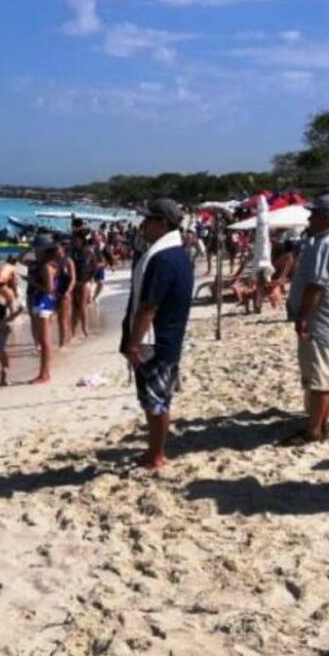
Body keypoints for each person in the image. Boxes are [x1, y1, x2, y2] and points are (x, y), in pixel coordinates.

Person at [121, 198, 194, 470]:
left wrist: (133, 344)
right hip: (169, 339)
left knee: (155, 402)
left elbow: (149, 306)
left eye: (148, 220)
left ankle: (157, 454)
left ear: (162, 223)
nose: (142, 225)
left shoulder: (162, 259)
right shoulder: (177, 253)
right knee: (157, 400)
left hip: (157, 343)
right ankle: (155, 451)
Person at [284, 195, 329, 446]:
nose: (309, 218)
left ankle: (314, 429)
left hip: (321, 321)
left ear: (326, 217)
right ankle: (321, 423)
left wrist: (303, 316)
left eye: (314, 214)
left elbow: (316, 286)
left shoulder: (327, 244)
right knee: (325, 375)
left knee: (319, 379)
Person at [26, 237, 59, 384]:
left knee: (44, 341)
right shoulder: (46, 264)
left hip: (44, 303)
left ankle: (44, 374)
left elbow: (50, 288)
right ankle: (44, 372)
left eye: (37, 250)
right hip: (42, 302)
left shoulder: (46, 266)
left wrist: (32, 282)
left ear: (43, 250)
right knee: (43, 340)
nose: (35, 252)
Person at [70, 230, 99, 338]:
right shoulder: (71, 252)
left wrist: (90, 278)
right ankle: (74, 330)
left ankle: (84, 328)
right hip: (74, 281)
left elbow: (95, 265)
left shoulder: (88, 252)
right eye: (73, 240)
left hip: (83, 281)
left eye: (76, 240)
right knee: (75, 307)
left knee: (82, 306)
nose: (74, 241)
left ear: (81, 240)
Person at [54, 240, 77, 347]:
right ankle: (68, 338)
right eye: (54, 249)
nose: (55, 251)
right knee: (60, 319)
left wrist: (68, 291)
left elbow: (73, 278)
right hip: (55, 293)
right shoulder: (52, 261)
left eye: (57, 249)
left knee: (63, 318)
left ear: (62, 249)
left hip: (65, 292)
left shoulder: (68, 261)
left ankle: (62, 344)